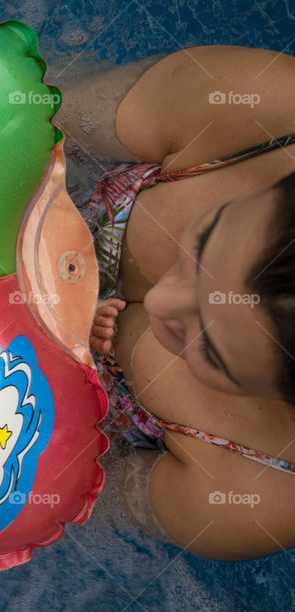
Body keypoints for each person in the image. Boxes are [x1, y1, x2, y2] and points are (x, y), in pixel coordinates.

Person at [54, 46, 295, 560]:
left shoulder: (251, 494)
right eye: (207, 241)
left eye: (210, 350)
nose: (163, 301)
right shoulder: (262, 109)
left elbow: (51, 490)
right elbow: (28, 115)